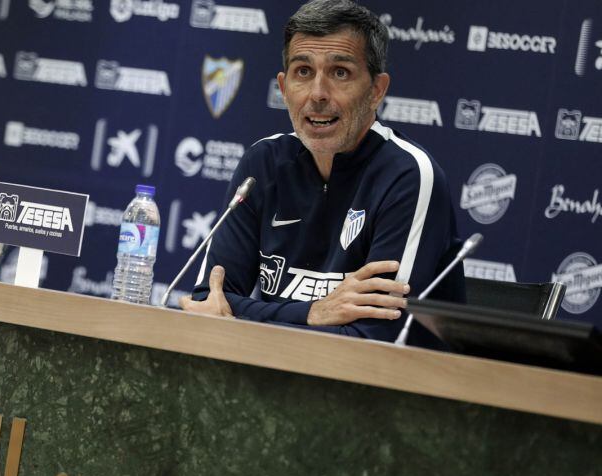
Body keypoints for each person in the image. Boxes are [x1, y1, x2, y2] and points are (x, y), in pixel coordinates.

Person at [180, 0, 460, 343]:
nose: (317, 94)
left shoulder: (408, 176)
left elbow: (376, 336)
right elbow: (207, 302)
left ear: (376, 91)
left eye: (340, 73)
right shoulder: (263, 163)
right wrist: (315, 312)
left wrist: (245, 315)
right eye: (303, 72)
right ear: (283, 89)